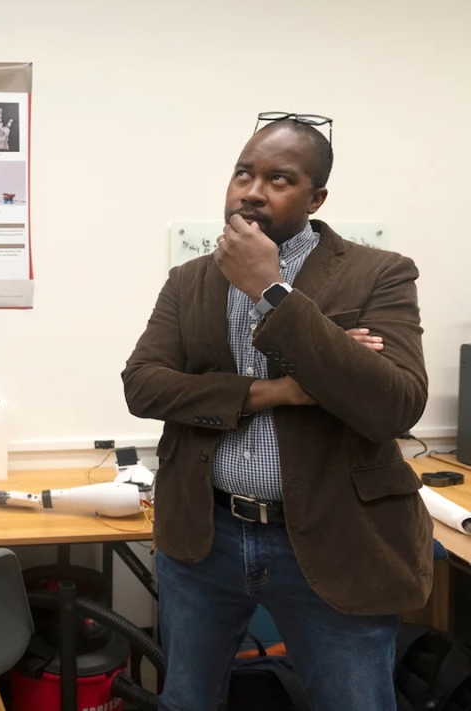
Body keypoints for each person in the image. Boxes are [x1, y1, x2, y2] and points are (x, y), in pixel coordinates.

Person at [121, 113, 433, 710]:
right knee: (187, 700)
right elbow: (145, 386)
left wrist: (273, 291)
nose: (252, 190)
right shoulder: (189, 281)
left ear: (315, 198)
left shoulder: (379, 273)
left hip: (335, 538)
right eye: (244, 172)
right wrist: (284, 391)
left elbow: (395, 404)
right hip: (205, 537)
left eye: (279, 179)